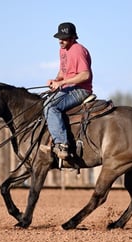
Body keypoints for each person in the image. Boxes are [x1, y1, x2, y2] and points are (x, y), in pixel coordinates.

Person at [43, 22, 93, 160]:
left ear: (72, 38)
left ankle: (62, 145)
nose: (60, 41)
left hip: (81, 89)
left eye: (64, 38)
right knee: (44, 102)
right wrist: (55, 80)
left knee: (51, 107)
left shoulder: (78, 50)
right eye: (59, 37)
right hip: (68, 87)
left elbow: (85, 75)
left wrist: (62, 82)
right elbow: (63, 70)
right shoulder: (62, 50)